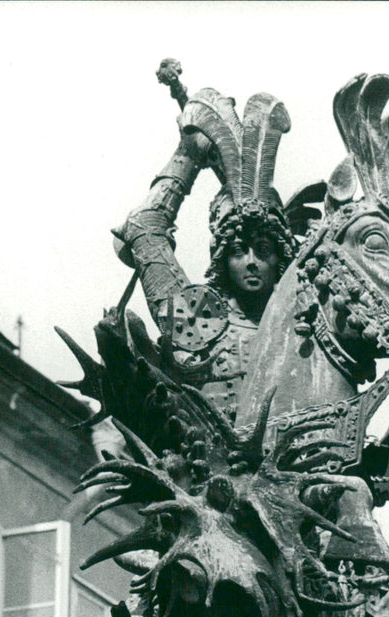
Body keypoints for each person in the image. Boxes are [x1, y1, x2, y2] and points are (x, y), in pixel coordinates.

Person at [113, 86, 296, 421]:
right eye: (239, 251)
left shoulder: (301, 327)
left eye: (263, 250)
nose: (252, 262)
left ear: (280, 256)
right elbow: (143, 225)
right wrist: (188, 154)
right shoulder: (201, 318)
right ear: (223, 259)